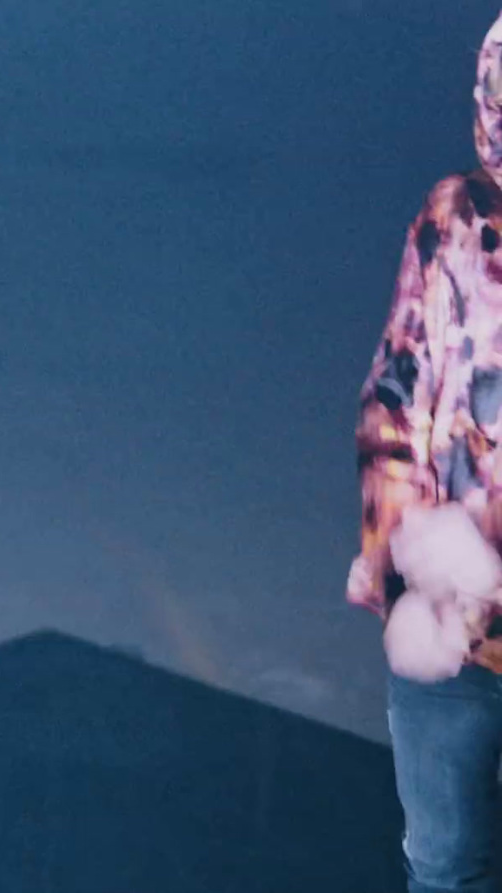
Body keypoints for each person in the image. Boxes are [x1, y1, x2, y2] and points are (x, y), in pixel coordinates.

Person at [350, 10, 502, 891]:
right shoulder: (455, 214)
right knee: (446, 865)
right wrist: (395, 545)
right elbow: (394, 391)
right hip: (451, 629)